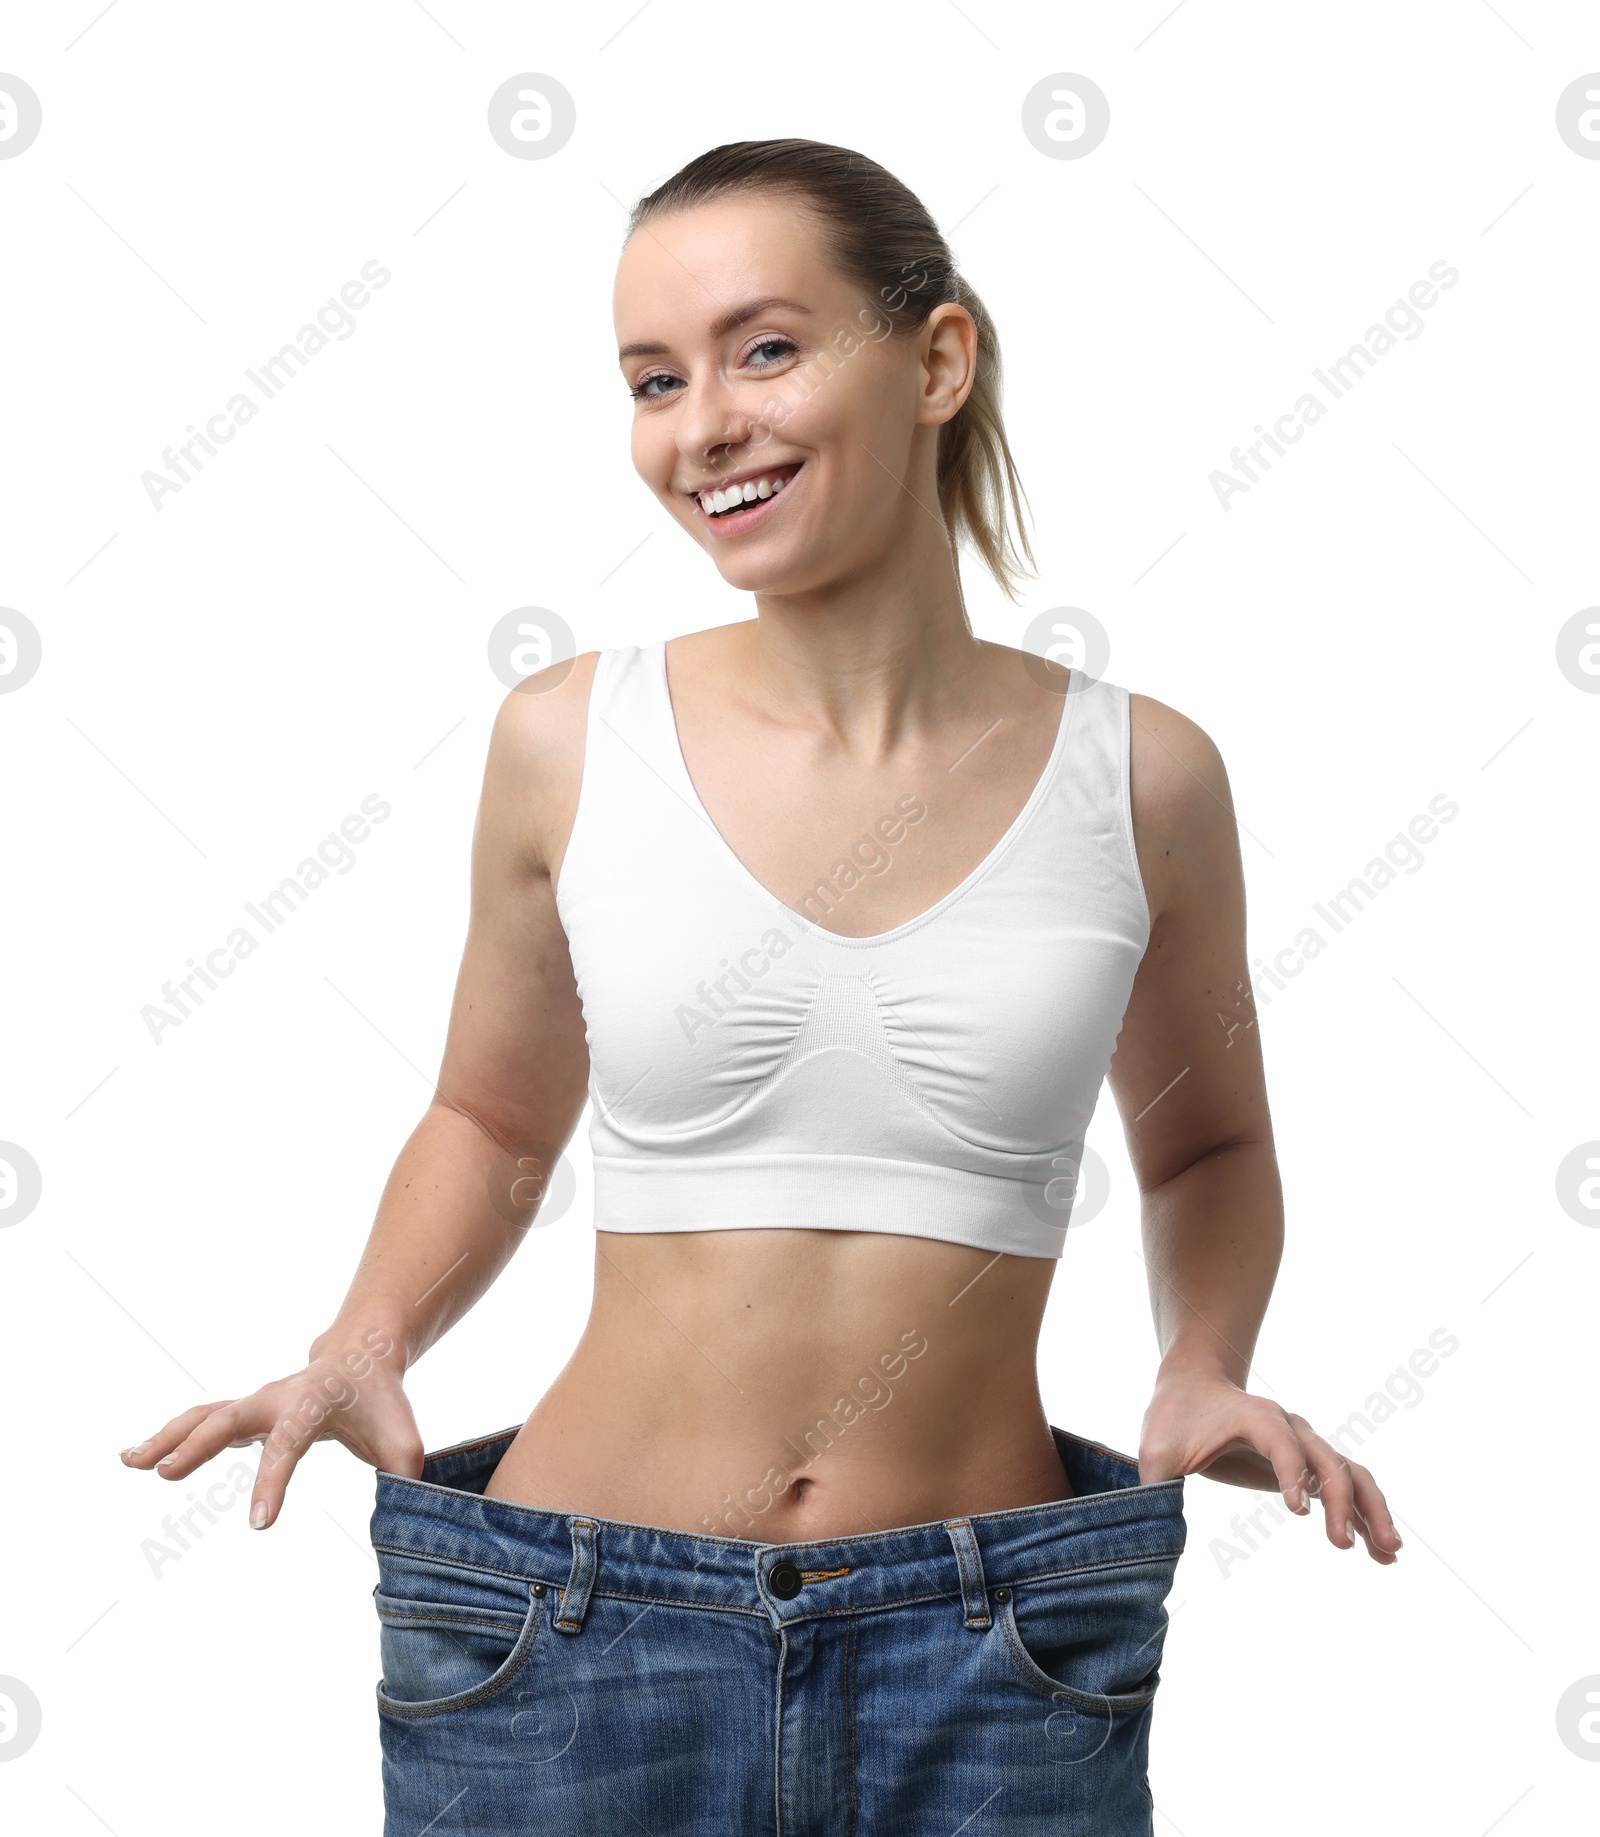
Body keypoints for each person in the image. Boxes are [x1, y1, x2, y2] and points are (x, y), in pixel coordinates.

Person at [121, 138, 1400, 1834]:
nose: (701, 422)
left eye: (766, 349)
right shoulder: (569, 739)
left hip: (993, 1643)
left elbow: (1208, 1150)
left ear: (937, 358)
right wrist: (367, 1335)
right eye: (655, 379)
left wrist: (1202, 1361)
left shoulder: (1145, 778)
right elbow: (494, 1115)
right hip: (567, 1632)